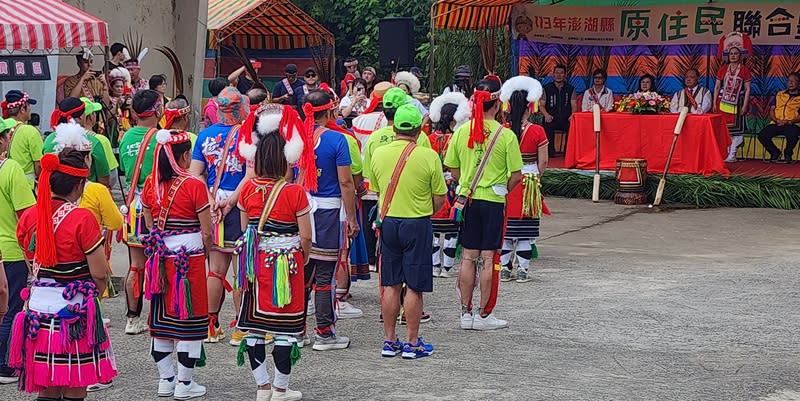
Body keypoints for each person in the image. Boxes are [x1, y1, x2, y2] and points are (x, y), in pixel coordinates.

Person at [10, 147, 117, 399]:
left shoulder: (29, 217)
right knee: (74, 382)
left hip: (37, 310)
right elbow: (99, 273)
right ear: (79, 185)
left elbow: (31, 263)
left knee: (47, 384)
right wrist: (95, 298)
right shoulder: (83, 219)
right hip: (73, 312)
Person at [235, 103, 315, 401]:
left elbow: (247, 229)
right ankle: (281, 389)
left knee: (255, 328)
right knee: (284, 329)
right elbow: (305, 235)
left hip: (257, 264)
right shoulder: (295, 192)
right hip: (288, 263)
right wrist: (302, 256)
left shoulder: (247, 190)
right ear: (286, 159)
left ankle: (262, 387)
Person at [367, 103, 445, 359]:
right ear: (419, 130)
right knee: (414, 285)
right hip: (417, 222)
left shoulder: (378, 152)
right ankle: (412, 343)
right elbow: (439, 198)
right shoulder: (428, 155)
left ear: (395, 126)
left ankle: (389, 341)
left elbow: (377, 191)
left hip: (388, 222)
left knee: (391, 283)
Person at [444, 79, 523, 331]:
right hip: (492, 201)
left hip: (467, 200)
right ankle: (484, 315)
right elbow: (516, 175)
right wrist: (501, 189)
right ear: (497, 103)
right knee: (489, 259)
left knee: (468, 257)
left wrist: (466, 183)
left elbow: (452, 167)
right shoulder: (506, 135)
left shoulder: (461, 132)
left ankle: (465, 314)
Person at [141, 129, 213, 399]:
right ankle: (184, 383)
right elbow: (206, 231)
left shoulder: (151, 183)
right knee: (190, 321)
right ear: (184, 156)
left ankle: (165, 380)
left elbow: (149, 224)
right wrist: (208, 250)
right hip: (189, 259)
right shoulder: (194, 185)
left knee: (161, 320)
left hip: (160, 260)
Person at [189, 86, 250, 346]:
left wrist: (212, 200)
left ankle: (210, 325)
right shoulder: (249, 135)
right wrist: (230, 202)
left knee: (215, 269)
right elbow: (251, 174)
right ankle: (241, 327)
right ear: (240, 108)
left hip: (212, 202)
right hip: (241, 203)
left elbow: (196, 174)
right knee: (241, 269)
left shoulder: (205, 135)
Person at [300, 90, 359, 350]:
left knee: (301, 274)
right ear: (331, 112)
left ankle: (296, 331)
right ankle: (324, 332)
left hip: (300, 210)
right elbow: (346, 182)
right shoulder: (338, 140)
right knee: (324, 276)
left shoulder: (295, 138)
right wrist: (353, 219)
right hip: (328, 212)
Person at [119, 89, 164, 335]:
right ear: (156, 110)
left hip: (132, 205)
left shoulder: (125, 138)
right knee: (160, 261)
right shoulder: (161, 138)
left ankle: (132, 318)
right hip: (155, 206)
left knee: (136, 265)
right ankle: (157, 316)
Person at [498, 75, 549, 283]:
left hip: (507, 182)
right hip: (529, 182)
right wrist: (535, 178)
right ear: (530, 106)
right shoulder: (537, 131)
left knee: (507, 230)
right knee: (526, 232)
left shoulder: (503, 131)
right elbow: (543, 162)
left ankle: (504, 268)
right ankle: (522, 270)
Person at [0, 117, 36, 385]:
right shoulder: (10, 168)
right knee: (10, 307)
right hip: (10, 250)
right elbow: (27, 216)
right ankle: (5, 364)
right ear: (3, 140)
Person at [428, 92, 471, 278]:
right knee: (452, 229)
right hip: (453, 185)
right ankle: (447, 267)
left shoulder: (430, 138)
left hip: (435, 186)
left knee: (435, 231)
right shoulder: (457, 138)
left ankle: (435, 266)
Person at [44, 97, 111, 187]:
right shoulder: (93, 142)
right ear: (80, 117)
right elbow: (104, 180)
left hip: (54, 195)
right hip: (85, 195)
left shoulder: (49, 140)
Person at [714, 32, 752, 162]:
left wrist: (745, 104)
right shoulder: (723, 69)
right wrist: (714, 103)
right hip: (723, 102)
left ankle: (733, 152)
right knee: (726, 129)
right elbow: (717, 87)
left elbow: (747, 89)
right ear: (728, 56)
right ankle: (728, 153)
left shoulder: (744, 70)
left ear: (740, 56)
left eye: (736, 53)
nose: (733, 56)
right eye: (731, 54)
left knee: (738, 130)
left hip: (738, 101)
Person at [1, 90, 42, 189]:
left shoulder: (2, 127)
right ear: (22, 109)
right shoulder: (30, 131)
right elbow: (39, 165)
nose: (30, 110)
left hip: (3, 183)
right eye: (28, 106)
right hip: (25, 186)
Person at [758, 72, 800, 164]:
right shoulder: (779, 94)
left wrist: (789, 121)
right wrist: (776, 120)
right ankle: (775, 152)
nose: (790, 83)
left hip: (792, 124)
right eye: (789, 81)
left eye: (793, 81)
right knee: (762, 135)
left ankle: (788, 153)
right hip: (777, 122)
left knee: (792, 136)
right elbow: (772, 110)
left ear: (798, 83)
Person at [540, 64, 576, 156]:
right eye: (557, 73)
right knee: (547, 123)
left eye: (561, 73)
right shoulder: (547, 88)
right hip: (551, 117)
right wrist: (546, 115)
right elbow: (541, 105)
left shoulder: (570, 89)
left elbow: (574, 105)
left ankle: (567, 153)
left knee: (572, 124)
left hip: (565, 118)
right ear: (553, 74)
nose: (559, 75)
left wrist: (572, 115)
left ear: (565, 75)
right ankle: (550, 152)